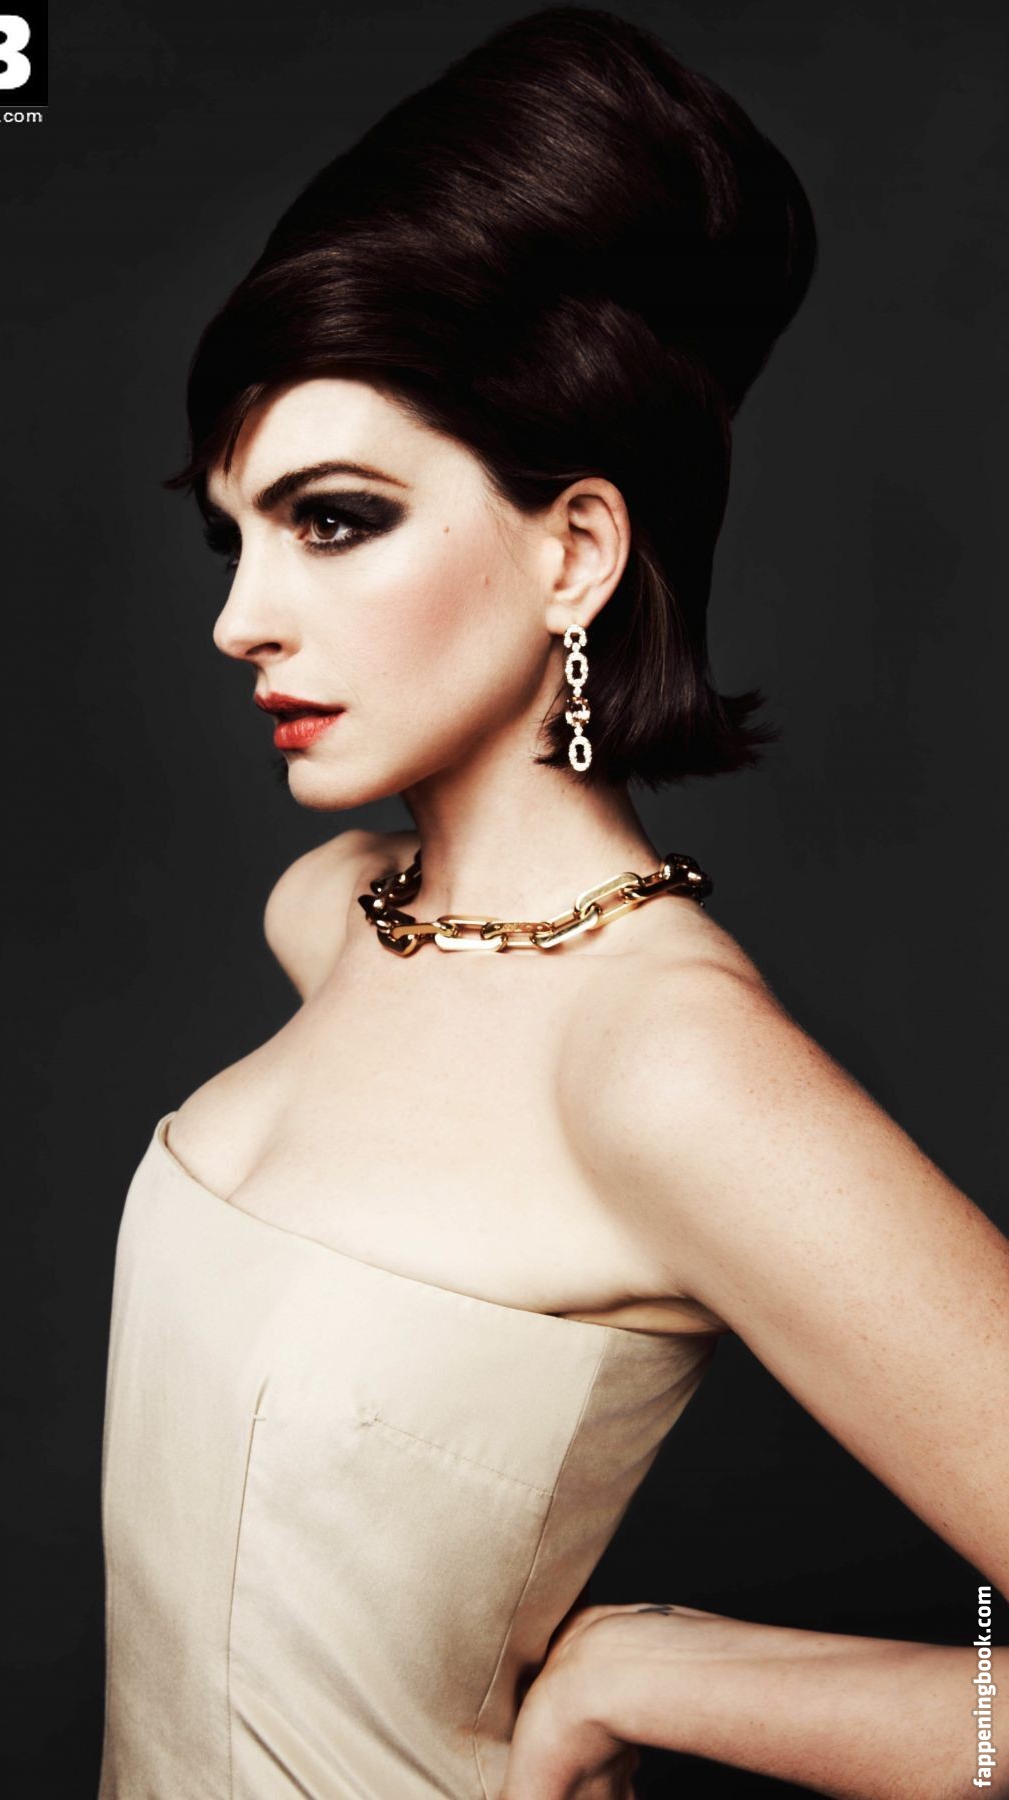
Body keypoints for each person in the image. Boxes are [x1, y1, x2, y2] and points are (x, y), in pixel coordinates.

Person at [96, 8, 1009, 1797]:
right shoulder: (331, 914)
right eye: (234, 536)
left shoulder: (665, 1064)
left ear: (574, 547)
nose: (240, 618)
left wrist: (670, 1675)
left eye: (333, 519)